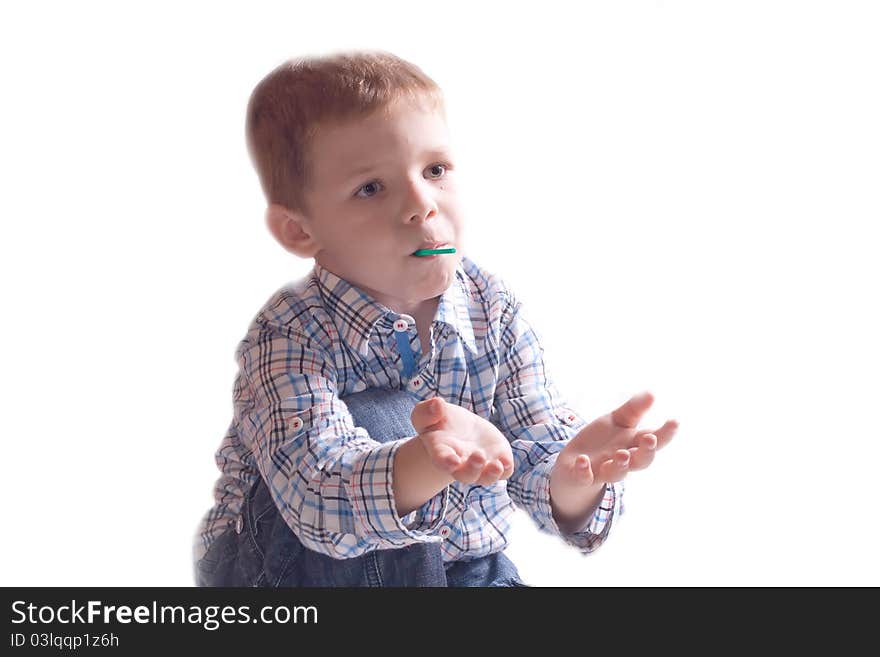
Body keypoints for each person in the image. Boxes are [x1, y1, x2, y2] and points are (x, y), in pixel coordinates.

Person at [192, 49, 678, 587]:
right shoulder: (290, 332)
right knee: (389, 416)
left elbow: (532, 440)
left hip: (460, 567)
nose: (421, 204)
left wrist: (573, 476)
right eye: (371, 188)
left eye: (435, 170)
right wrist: (427, 460)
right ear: (301, 231)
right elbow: (315, 495)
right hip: (287, 566)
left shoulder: (489, 305)